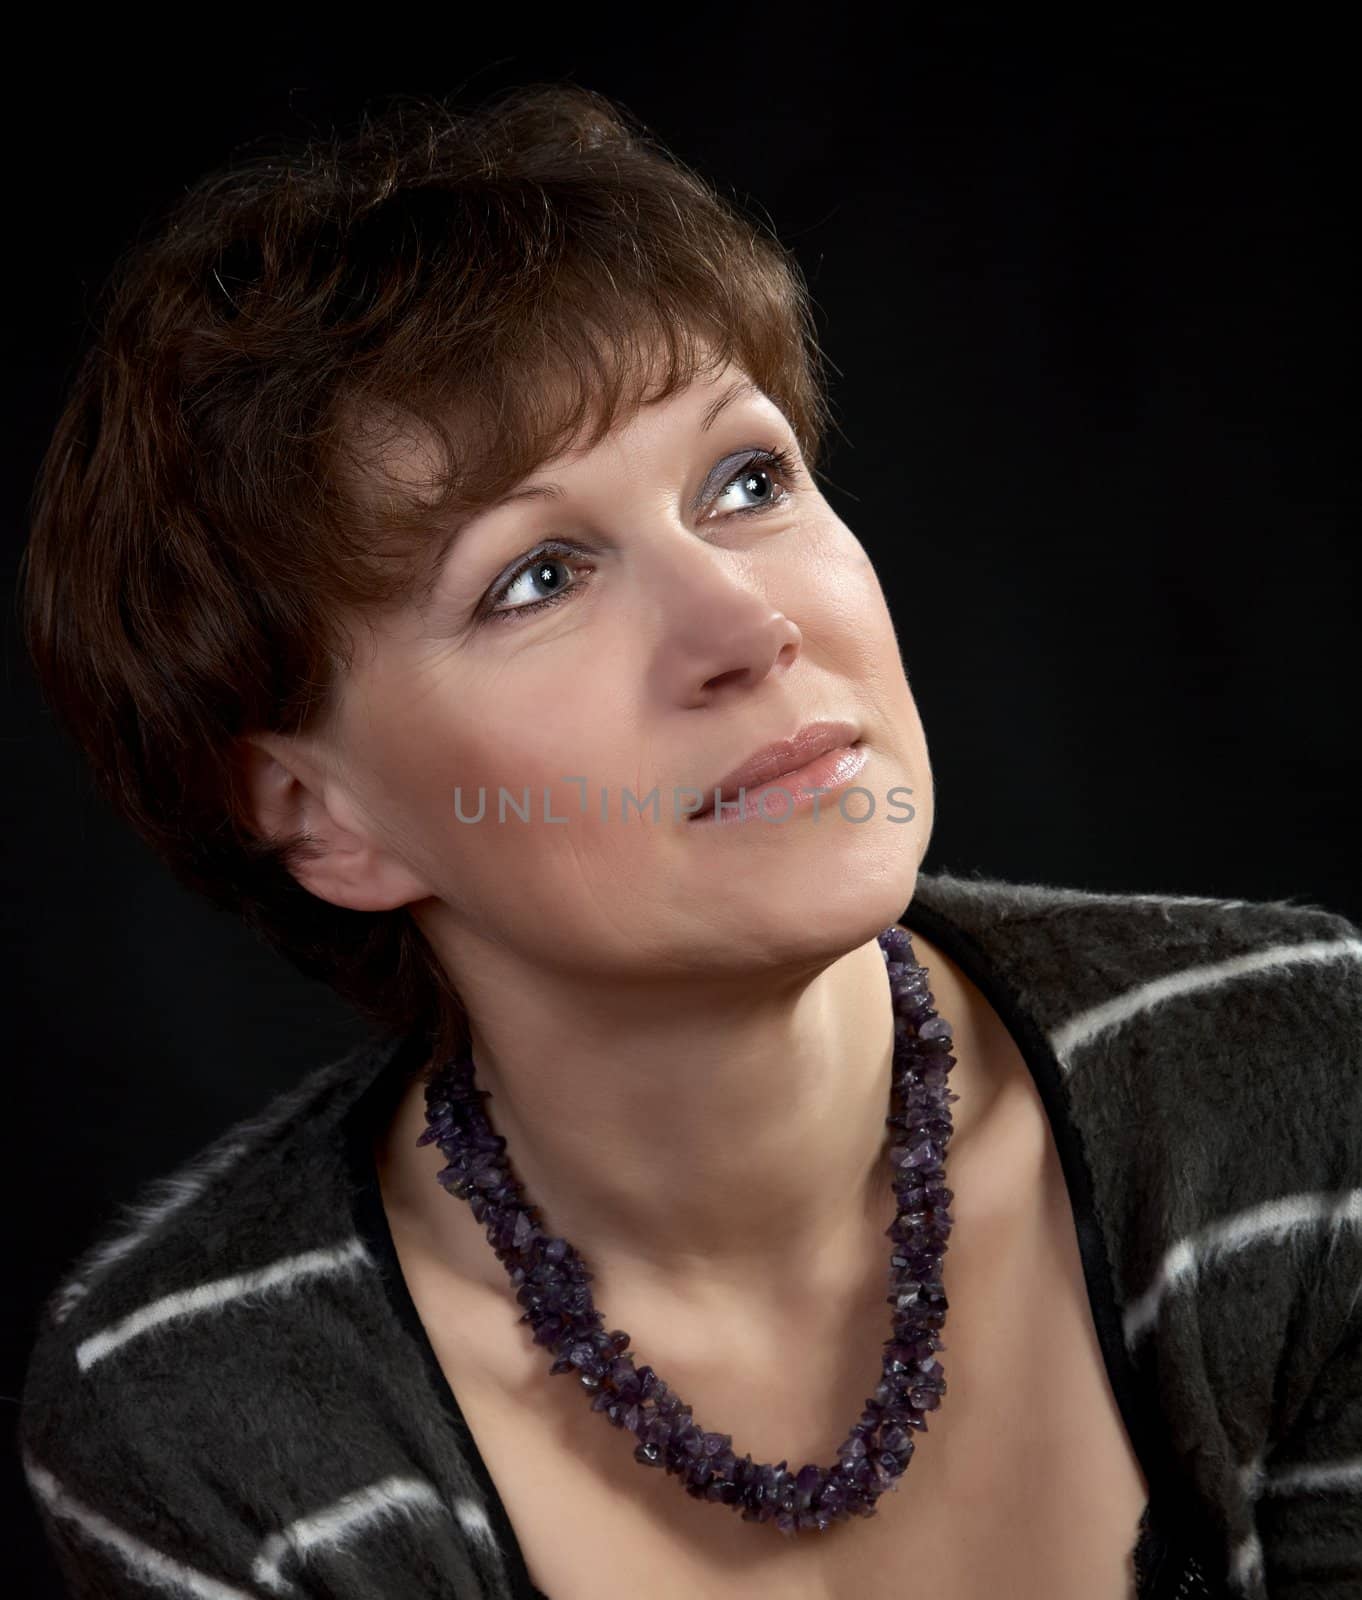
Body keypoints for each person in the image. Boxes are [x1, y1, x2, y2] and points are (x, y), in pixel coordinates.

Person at [15, 82, 1362, 1600]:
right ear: (321, 818)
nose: (745, 624)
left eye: (745, 480)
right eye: (536, 576)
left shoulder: (1295, 1082)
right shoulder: (199, 1412)